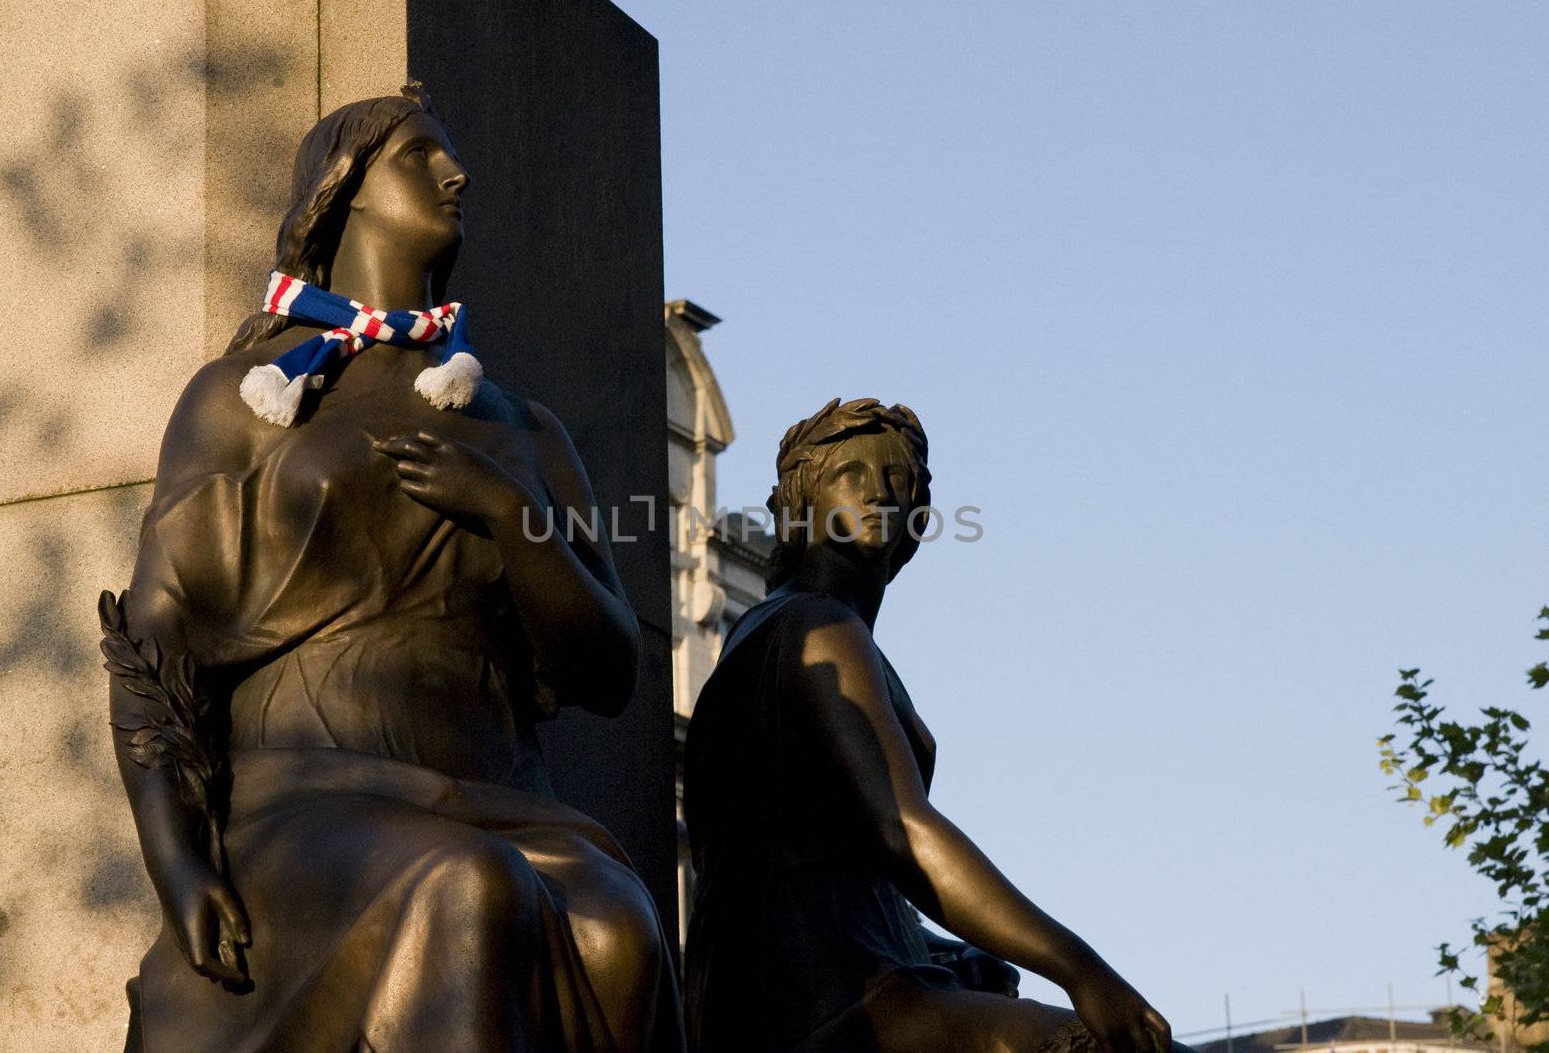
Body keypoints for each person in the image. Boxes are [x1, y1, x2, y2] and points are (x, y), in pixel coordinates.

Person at [108, 84, 681, 1052]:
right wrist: (178, 861)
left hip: (497, 793)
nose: (455, 175)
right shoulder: (242, 398)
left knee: (618, 924)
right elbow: (154, 640)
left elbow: (608, 668)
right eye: (419, 155)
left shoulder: (519, 426)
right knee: (468, 884)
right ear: (345, 190)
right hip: (304, 793)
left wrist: (510, 514)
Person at [683, 398, 1188, 1053]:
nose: (879, 493)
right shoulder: (814, 626)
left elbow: (832, 870)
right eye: (851, 475)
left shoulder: (801, 626)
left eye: (898, 480)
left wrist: (944, 951)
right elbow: (904, 831)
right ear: (801, 501)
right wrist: (1082, 968)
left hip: (826, 989)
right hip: (824, 1008)